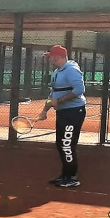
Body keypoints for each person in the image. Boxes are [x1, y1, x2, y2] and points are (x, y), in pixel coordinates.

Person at [36, 45, 86, 188]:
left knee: (67, 144)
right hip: (63, 112)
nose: (49, 59)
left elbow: (80, 89)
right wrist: (45, 110)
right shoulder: (57, 72)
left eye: (50, 57)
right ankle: (65, 175)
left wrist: (61, 101)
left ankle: (72, 177)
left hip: (73, 112)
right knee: (61, 144)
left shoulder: (71, 70)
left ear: (57, 57)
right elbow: (53, 95)